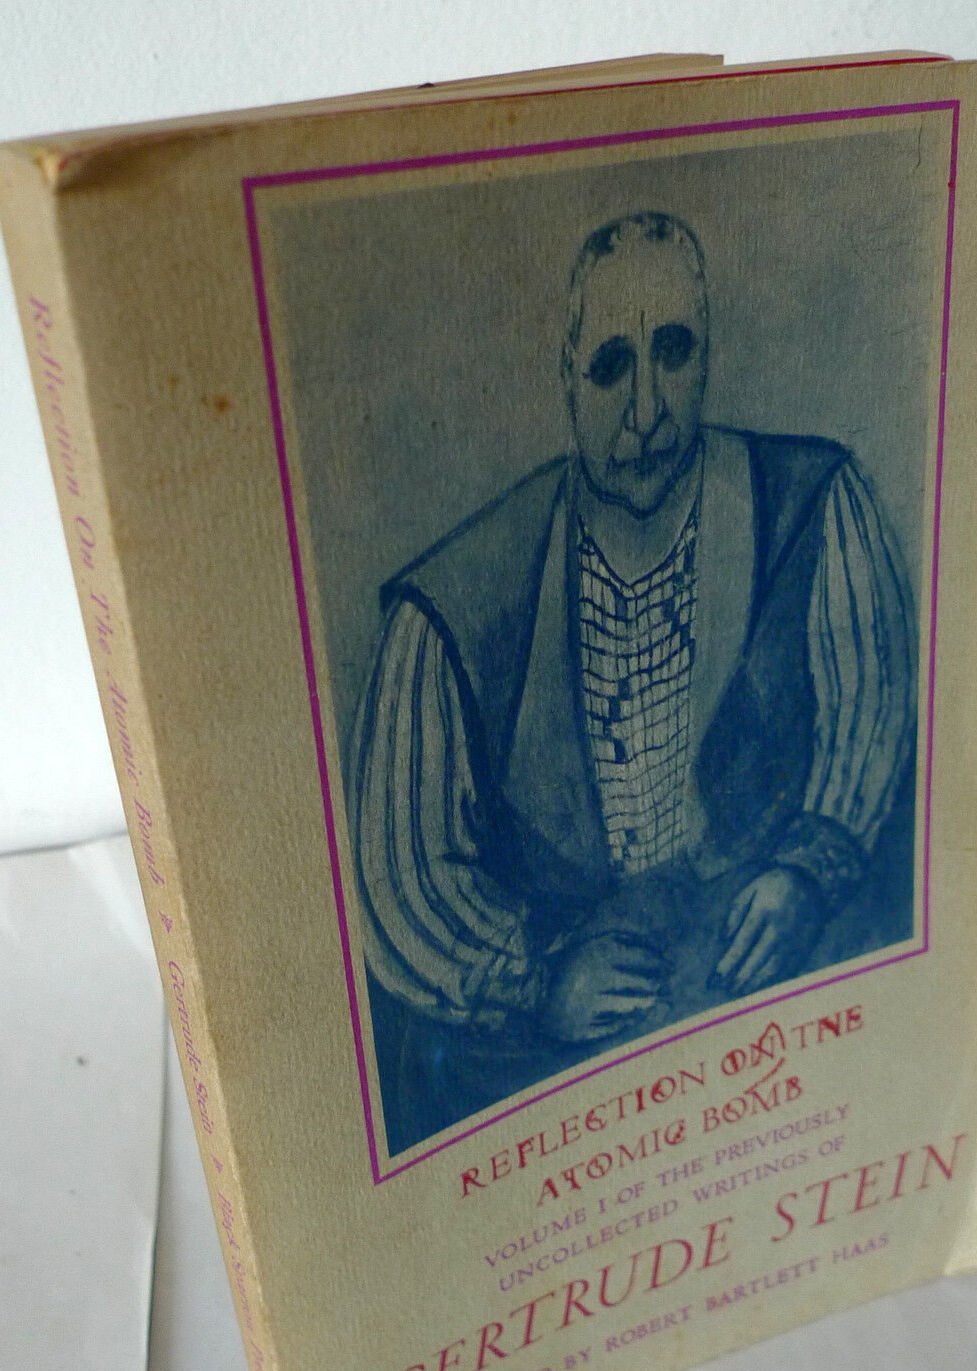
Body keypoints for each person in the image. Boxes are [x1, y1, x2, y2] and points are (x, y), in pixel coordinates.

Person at [353, 212, 917, 1151]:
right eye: (612, 367)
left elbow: (874, 702)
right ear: (566, 376)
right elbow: (400, 877)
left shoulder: (813, 503)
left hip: (761, 1004)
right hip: (569, 1060)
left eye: (675, 353)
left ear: (709, 353)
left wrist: (807, 869)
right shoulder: (451, 605)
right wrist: (535, 979)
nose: (648, 411)